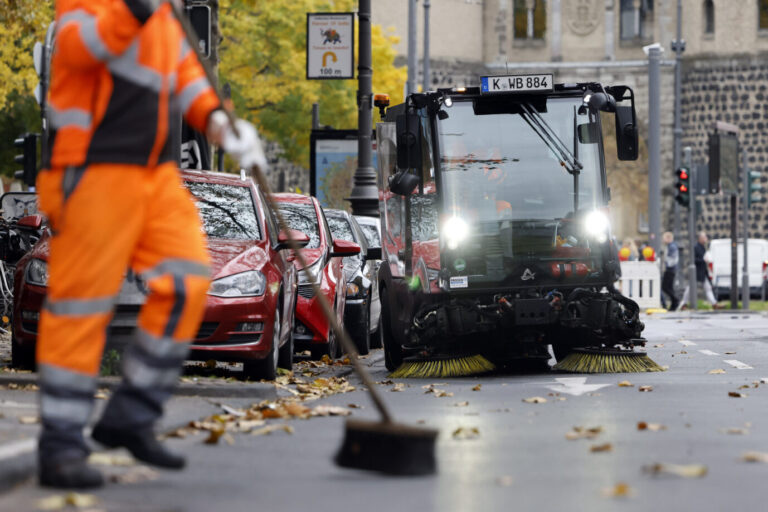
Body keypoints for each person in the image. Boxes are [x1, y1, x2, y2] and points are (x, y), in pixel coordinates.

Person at [37, 0, 266, 489]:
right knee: (80, 307)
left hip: (154, 178)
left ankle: (131, 414)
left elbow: (188, 79)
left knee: (188, 281)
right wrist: (135, 9)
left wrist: (225, 126)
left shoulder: (166, 17)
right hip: (90, 171)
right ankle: (60, 444)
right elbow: (79, 47)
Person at [679, 231, 722, 310]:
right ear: (700, 238)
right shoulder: (696, 247)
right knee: (689, 289)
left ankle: (714, 303)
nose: (706, 239)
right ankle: (683, 304)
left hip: (702, 272)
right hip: (696, 272)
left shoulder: (702, 247)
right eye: (705, 237)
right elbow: (693, 260)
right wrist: (704, 260)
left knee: (707, 288)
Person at [660, 231, 680, 311]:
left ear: (668, 238)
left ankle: (675, 300)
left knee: (665, 287)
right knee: (669, 288)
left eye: (664, 238)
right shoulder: (670, 246)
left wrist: (667, 264)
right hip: (670, 269)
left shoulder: (672, 246)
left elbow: (673, 259)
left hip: (670, 270)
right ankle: (674, 304)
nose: (663, 240)